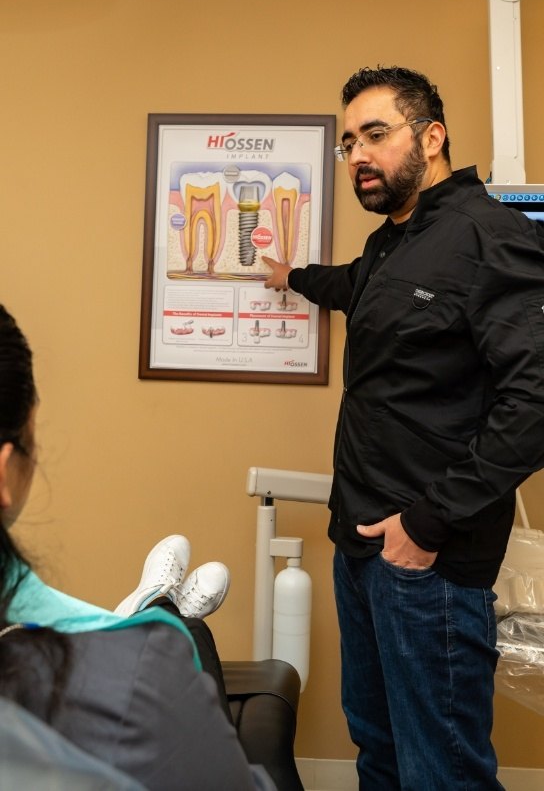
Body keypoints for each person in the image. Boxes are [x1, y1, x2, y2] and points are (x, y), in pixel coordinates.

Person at [263, 65, 544, 790]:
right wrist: (291, 276)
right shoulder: (393, 243)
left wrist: (425, 523)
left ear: (433, 136)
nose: (358, 154)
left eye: (376, 134)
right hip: (358, 545)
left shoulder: (490, 235)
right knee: (379, 750)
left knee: (440, 770)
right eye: (348, 141)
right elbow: (351, 286)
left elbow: (535, 401)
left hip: (428, 559)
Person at [0, 303, 275, 790]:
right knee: (182, 642)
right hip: (160, 687)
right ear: (5, 471)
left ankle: (157, 605)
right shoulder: (140, 680)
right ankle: (163, 609)